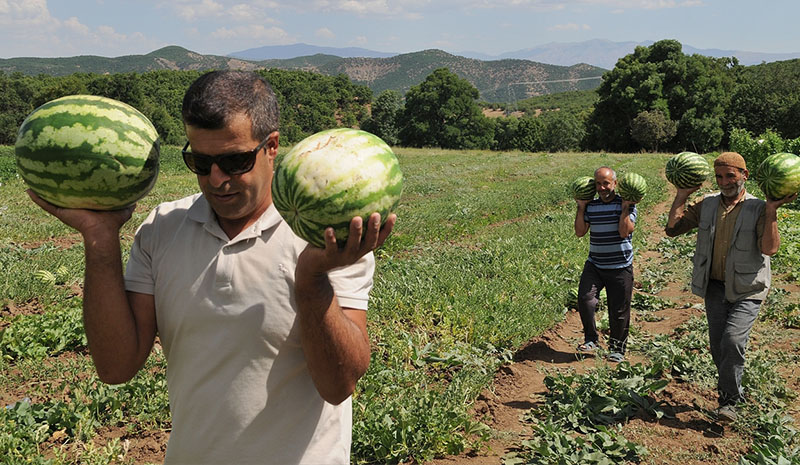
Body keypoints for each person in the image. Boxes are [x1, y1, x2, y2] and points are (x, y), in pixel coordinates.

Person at [27, 70, 396, 464]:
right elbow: (116, 367)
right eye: (200, 162)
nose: (217, 180)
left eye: (234, 161)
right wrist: (99, 241)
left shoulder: (327, 238)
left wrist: (312, 279)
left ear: (271, 147)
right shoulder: (162, 228)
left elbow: (338, 385)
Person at [665, 151, 795, 424]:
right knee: (718, 346)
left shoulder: (759, 207)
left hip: (749, 288)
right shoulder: (707, 204)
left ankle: (729, 403)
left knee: (733, 341)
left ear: (744, 175)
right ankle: (733, 390)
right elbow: (673, 229)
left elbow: (769, 248)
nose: (724, 182)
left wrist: (771, 210)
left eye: (730, 175)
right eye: (720, 176)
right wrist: (681, 194)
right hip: (714, 286)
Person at [574, 166, 638, 363]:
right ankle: (591, 339)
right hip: (595, 264)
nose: (602, 188)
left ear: (615, 184)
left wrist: (626, 207)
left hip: (620, 266)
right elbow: (580, 232)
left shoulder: (627, 204)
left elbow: (624, 232)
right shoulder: (591, 206)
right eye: (598, 184)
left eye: (606, 183)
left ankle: (617, 349)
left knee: (619, 310)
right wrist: (581, 207)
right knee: (585, 299)